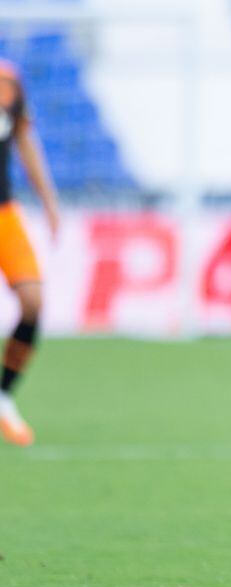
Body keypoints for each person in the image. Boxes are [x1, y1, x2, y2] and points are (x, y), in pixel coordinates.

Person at [0, 59, 60, 446]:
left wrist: (48, 201)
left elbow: (23, 138)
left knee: (33, 302)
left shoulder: (9, 81)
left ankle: (3, 395)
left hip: (4, 213)